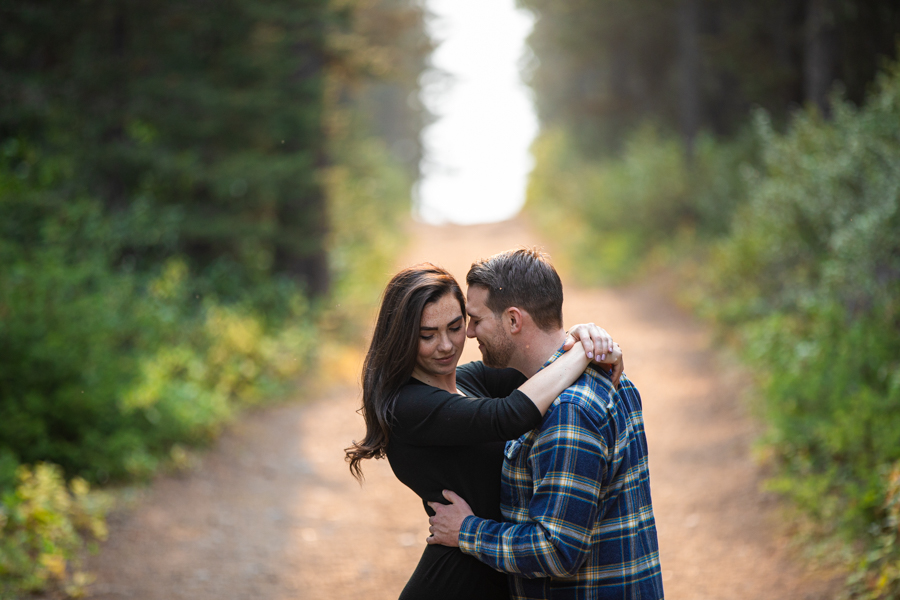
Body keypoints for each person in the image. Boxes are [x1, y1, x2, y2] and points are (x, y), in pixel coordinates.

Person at [345, 263, 623, 600]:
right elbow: (511, 414)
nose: (446, 345)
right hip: (454, 583)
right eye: (427, 335)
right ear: (403, 337)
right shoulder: (409, 406)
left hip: (497, 570)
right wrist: (583, 350)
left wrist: (587, 334)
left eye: (456, 327)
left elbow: (541, 364)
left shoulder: (469, 380)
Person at [426, 247, 664, 600]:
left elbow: (557, 549)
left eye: (476, 320)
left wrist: (466, 530)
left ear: (513, 321)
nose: (471, 334)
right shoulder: (610, 375)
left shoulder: (568, 410)